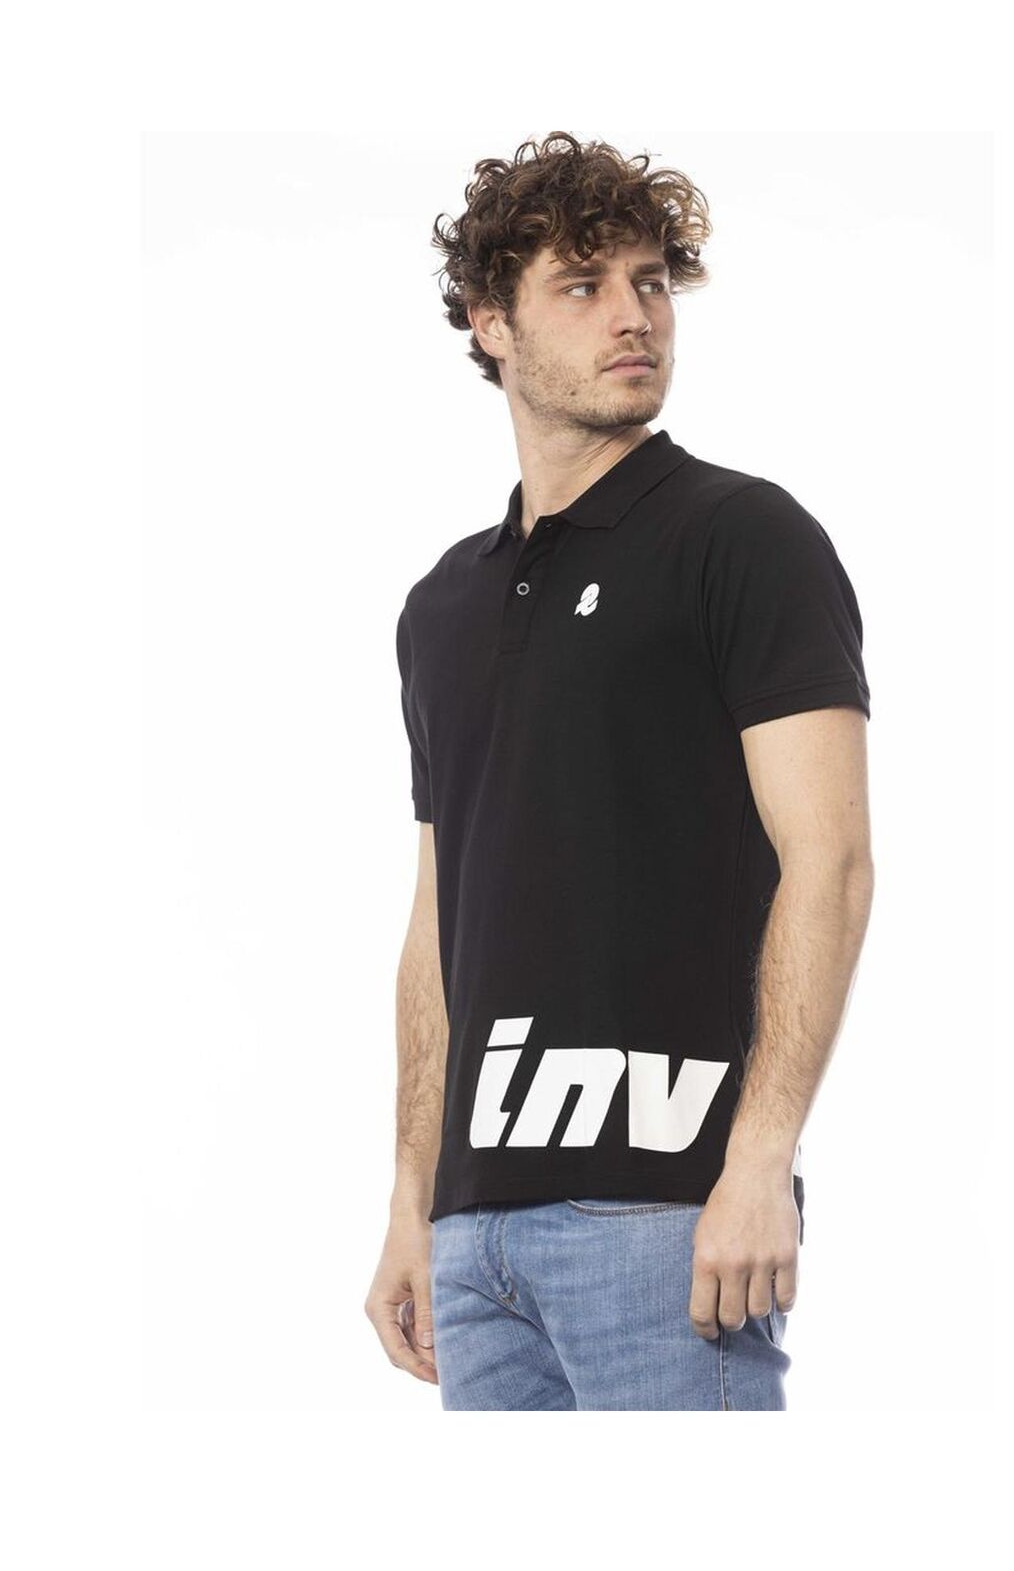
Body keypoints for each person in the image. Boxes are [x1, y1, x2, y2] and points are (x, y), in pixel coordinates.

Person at [364, 132, 875, 1410]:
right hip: (475, 1239)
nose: (633, 315)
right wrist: (412, 1199)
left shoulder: (741, 537)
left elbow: (829, 858)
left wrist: (757, 1160)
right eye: (582, 285)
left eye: (649, 281)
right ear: (490, 323)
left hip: (664, 1212)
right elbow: (438, 920)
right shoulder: (440, 606)